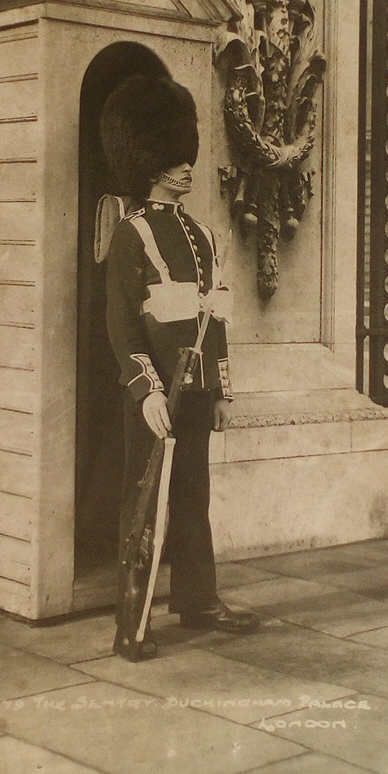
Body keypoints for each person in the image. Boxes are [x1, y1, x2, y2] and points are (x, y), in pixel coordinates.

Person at [101, 74, 260, 661]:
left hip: (192, 393)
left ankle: (197, 600)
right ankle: (131, 623)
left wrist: (218, 391)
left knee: (194, 497)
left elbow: (213, 320)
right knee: (144, 503)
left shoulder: (202, 234)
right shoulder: (130, 234)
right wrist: (146, 390)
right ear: (149, 164)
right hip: (154, 395)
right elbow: (121, 326)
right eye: (173, 160)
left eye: (185, 158)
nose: (185, 169)